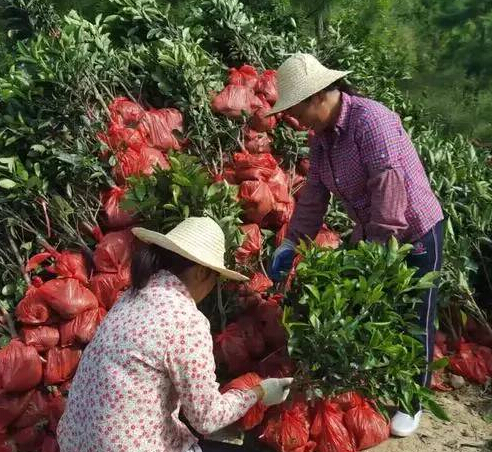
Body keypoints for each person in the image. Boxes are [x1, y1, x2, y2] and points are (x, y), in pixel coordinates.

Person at [267, 54, 444, 437]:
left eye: (295, 108)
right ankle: (380, 382)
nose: (293, 118)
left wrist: (377, 256)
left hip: (414, 231)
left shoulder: (370, 121)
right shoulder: (322, 140)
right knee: (373, 310)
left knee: (416, 316)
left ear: (317, 96)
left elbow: (389, 192)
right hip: (372, 232)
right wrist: (291, 245)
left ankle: (412, 400)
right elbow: (314, 195)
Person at [57, 217, 293, 452]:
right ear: (202, 272)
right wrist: (259, 392)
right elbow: (207, 419)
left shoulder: (131, 297)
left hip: (75, 441)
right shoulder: (186, 321)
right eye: (215, 279)